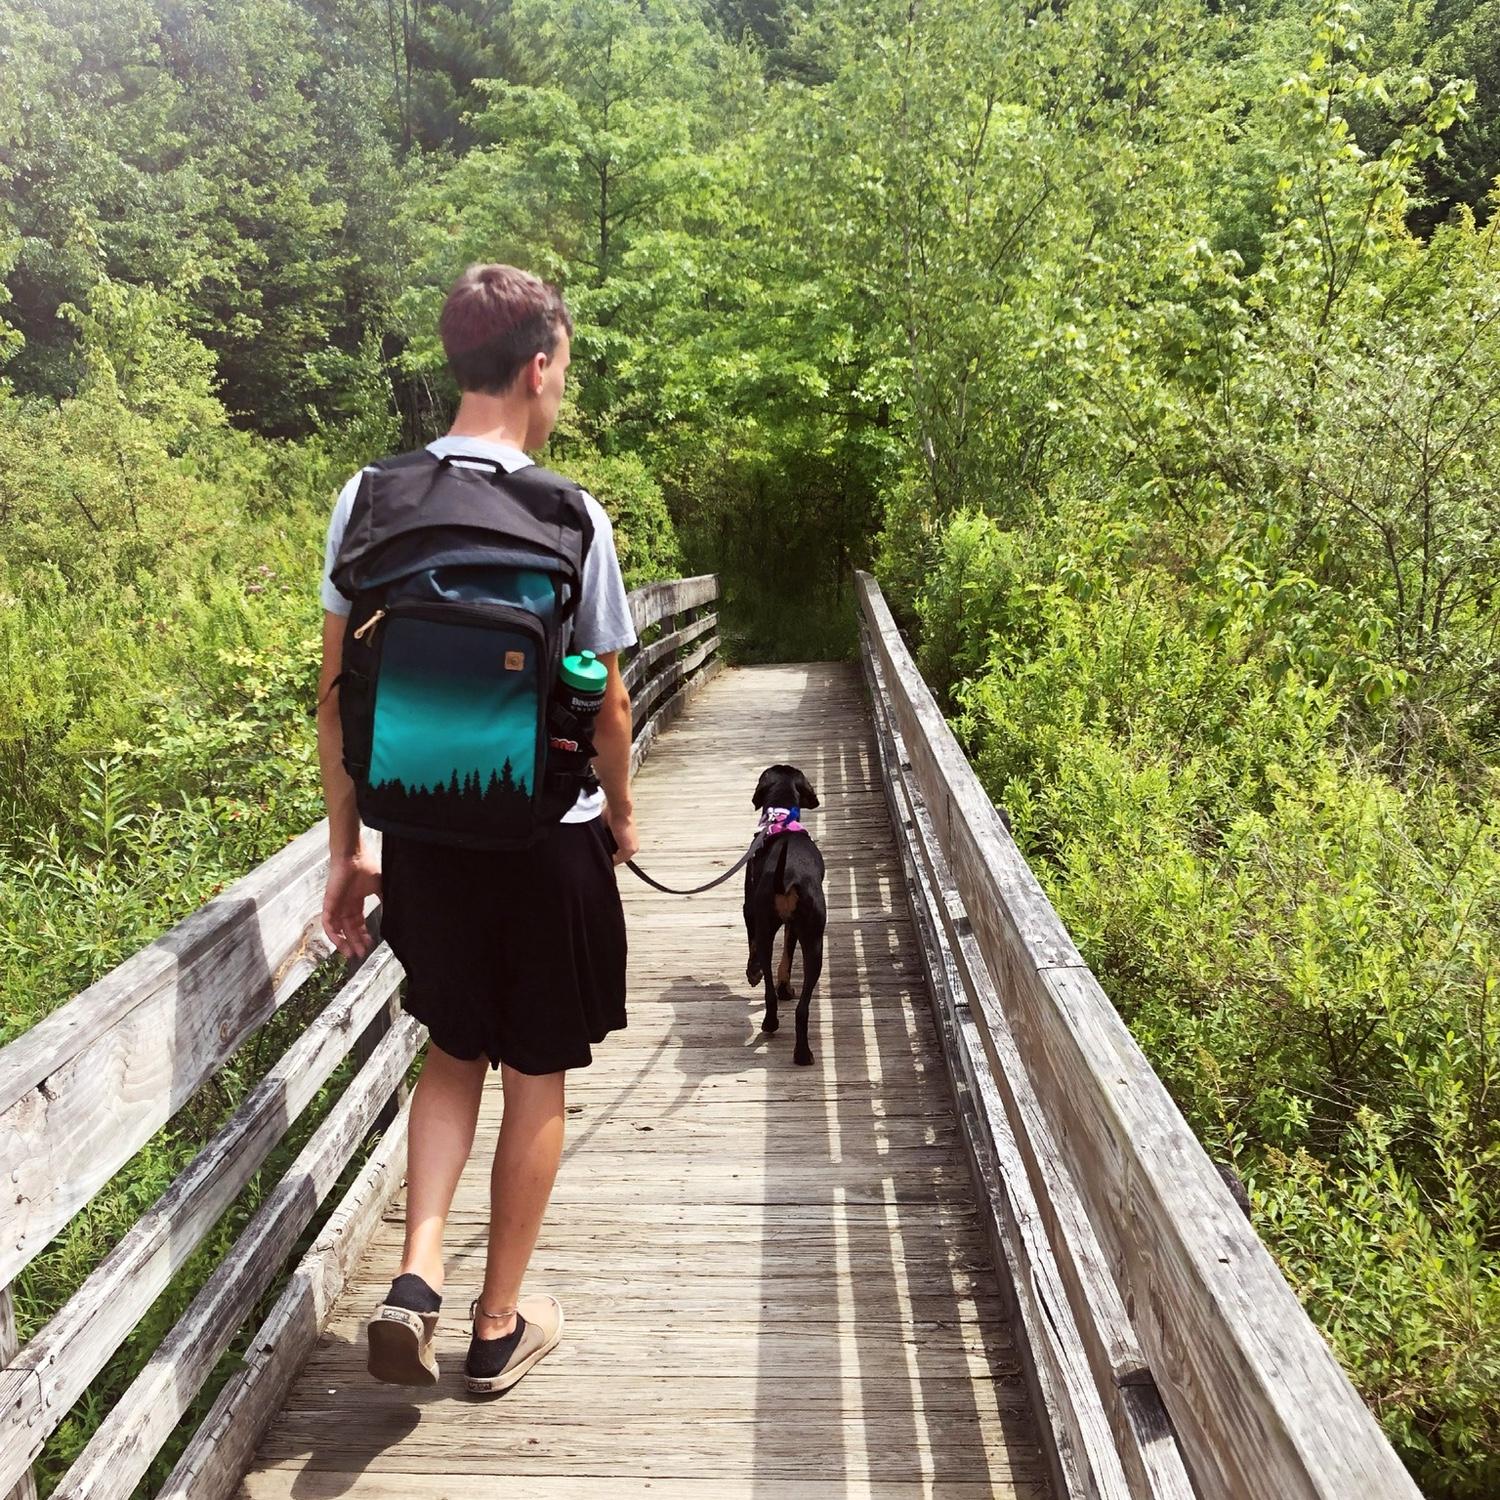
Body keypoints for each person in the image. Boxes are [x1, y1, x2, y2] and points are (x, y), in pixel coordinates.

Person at [314, 264, 640, 1394]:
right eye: (566, 370)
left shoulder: (369, 500)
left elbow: (335, 693)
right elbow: (605, 699)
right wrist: (626, 820)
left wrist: (348, 850)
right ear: (539, 364)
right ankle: (497, 1325)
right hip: (549, 834)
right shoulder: (569, 513)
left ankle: (415, 1276)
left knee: (453, 1049)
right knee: (536, 1074)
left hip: (429, 833)